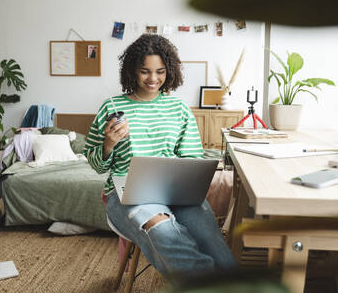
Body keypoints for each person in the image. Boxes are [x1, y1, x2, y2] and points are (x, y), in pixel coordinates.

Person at [83, 34, 237, 280]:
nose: (153, 79)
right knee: (162, 230)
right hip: (126, 194)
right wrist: (109, 143)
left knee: (210, 237)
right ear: (132, 70)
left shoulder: (179, 109)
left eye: (160, 71)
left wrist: (188, 173)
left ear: (169, 71)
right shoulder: (111, 107)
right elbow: (96, 165)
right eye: (145, 71)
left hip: (177, 192)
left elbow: (192, 157)